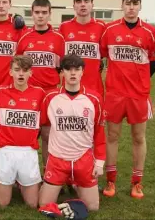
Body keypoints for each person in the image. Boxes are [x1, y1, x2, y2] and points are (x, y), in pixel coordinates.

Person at [100, 0, 155, 199]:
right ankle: (110, 180)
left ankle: (137, 182)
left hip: (138, 95)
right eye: (128, 3)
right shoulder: (109, 30)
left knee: (138, 137)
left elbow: (154, 61)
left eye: (135, 4)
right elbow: (104, 55)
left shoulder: (150, 32)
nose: (131, 7)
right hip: (115, 94)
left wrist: (140, 82)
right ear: (122, 5)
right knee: (112, 136)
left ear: (140, 6)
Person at [39, 54, 106, 212]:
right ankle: (61, 183)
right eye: (68, 69)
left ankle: (76, 183)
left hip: (83, 159)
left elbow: (100, 133)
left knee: (93, 207)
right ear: (62, 73)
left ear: (83, 72)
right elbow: (42, 125)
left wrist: (100, 162)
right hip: (57, 160)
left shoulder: (94, 99)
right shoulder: (50, 97)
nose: (73, 73)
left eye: (77, 69)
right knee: (43, 206)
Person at [16, 0, 65, 170]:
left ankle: (49, 172)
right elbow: (19, 67)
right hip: (29, 93)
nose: (40, 16)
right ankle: (24, 173)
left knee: (47, 135)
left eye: (44, 13)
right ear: (32, 14)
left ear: (50, 14)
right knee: (26, 134)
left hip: (50, 93)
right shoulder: (24, 38)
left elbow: (60, 68)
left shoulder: (59, 39)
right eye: (37, 12)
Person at [0, 55, 45, 208]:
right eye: (17, 70)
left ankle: (22, 181)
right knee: (2, 204)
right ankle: (14, 179)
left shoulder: (40, 94)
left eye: (25, 70)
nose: (21, 74)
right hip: (6, 151)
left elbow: (42, 123)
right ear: (10, 72)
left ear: (31, 73)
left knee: (32, 204)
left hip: (28, 151)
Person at [59, 0, 106, 96]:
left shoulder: (101, 26)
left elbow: (104, 53)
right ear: (74, 5)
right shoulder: (64, 27)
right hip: (69, 86)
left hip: (94, 86)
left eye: (86, 1)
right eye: (79, 2)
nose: (83, 5)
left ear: (92, 4)